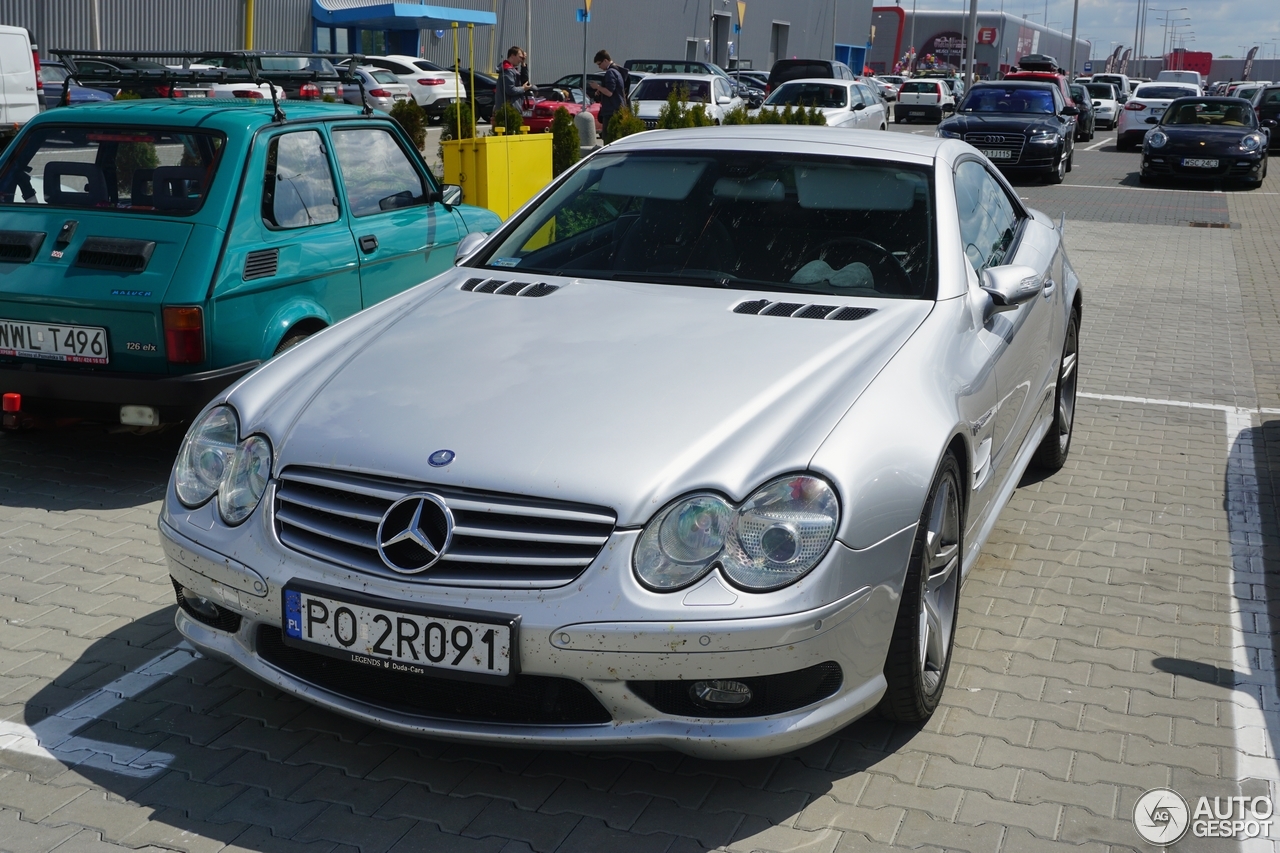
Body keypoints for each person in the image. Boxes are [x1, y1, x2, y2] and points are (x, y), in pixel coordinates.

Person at [588, 49, 627, 141]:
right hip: (617, 108)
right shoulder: (617, 71)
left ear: (605, 60)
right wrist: (601, 89)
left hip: (611, 110)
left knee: (608, 137)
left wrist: (597, 87)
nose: (599, 67)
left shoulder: (611, 72)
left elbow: (609, 92)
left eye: (599, 64)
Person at [497, 46, 532, 112]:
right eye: (520, 57)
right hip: (509, 109)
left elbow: (524, 81)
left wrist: (523, 63)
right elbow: (510, 90)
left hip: (512, 108)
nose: (521, 60)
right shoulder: (508, 70)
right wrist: (523, 88)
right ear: (513, 56)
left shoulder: (512, 70)